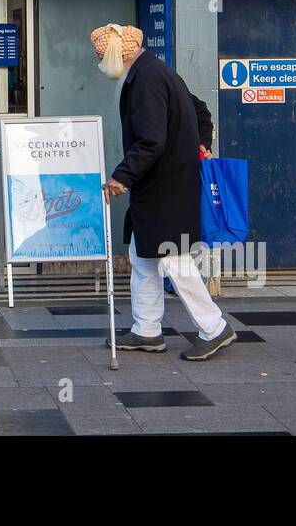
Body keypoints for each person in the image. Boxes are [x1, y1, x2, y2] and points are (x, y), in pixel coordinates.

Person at [91, 23, 236, 361]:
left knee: (174, 259)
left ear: (117, 54)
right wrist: (201, 143)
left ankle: (214, 328)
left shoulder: (146, 80)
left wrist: (121, 176)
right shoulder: (160, 72)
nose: (99, 64)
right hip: (167, 182)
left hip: (164, 186)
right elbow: (200, 109)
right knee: (143, 257)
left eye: (101, 57)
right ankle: (147, 329)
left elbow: (151, 140)